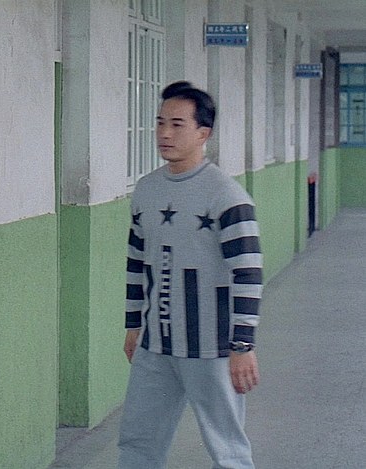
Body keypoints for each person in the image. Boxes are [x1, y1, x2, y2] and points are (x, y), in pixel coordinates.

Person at [118, 81, 262, 469]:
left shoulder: (227, 196)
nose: (165, 133)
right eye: (160, 122)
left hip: (212, 347)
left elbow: (248, 274)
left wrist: (242, 345)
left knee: (227, 449)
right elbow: (136, 263)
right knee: (137, 442)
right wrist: (133, 326)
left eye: (177, 124)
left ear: (203, 133)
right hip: (155, 345)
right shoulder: (146, 190)